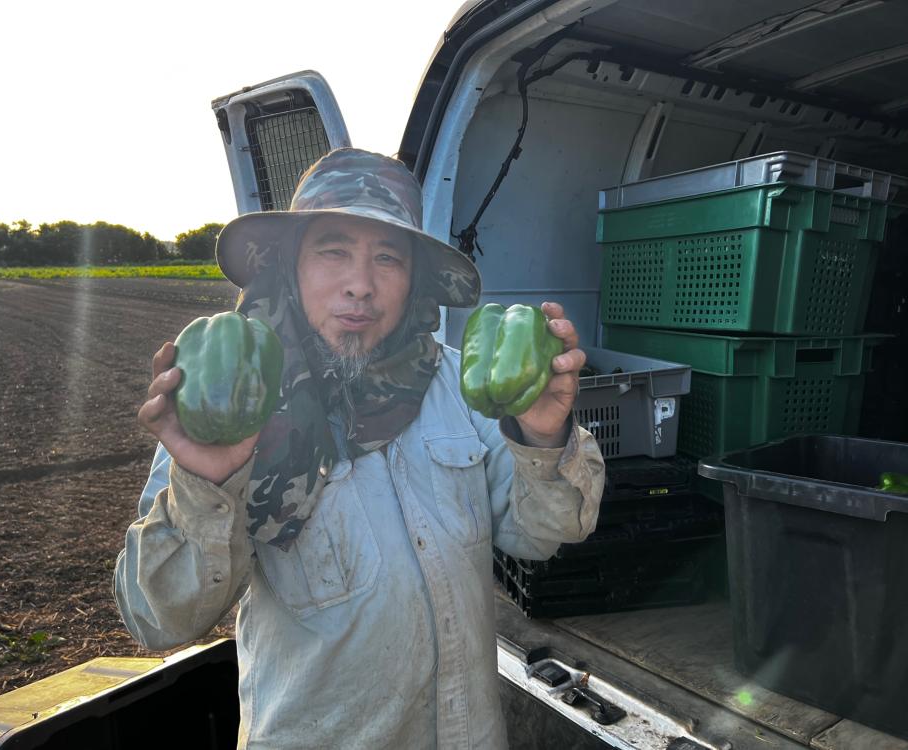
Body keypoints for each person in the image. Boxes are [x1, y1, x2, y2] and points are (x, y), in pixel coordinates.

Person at [114, 147, 605, 749]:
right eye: (333, 250)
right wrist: (208, 485)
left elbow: (543, 534)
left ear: (415, 280)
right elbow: (160, 620)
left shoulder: (459, 384)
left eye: (388, 259)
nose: (361, 285)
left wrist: (544, 436)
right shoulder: (232, 398)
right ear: (288, 266)